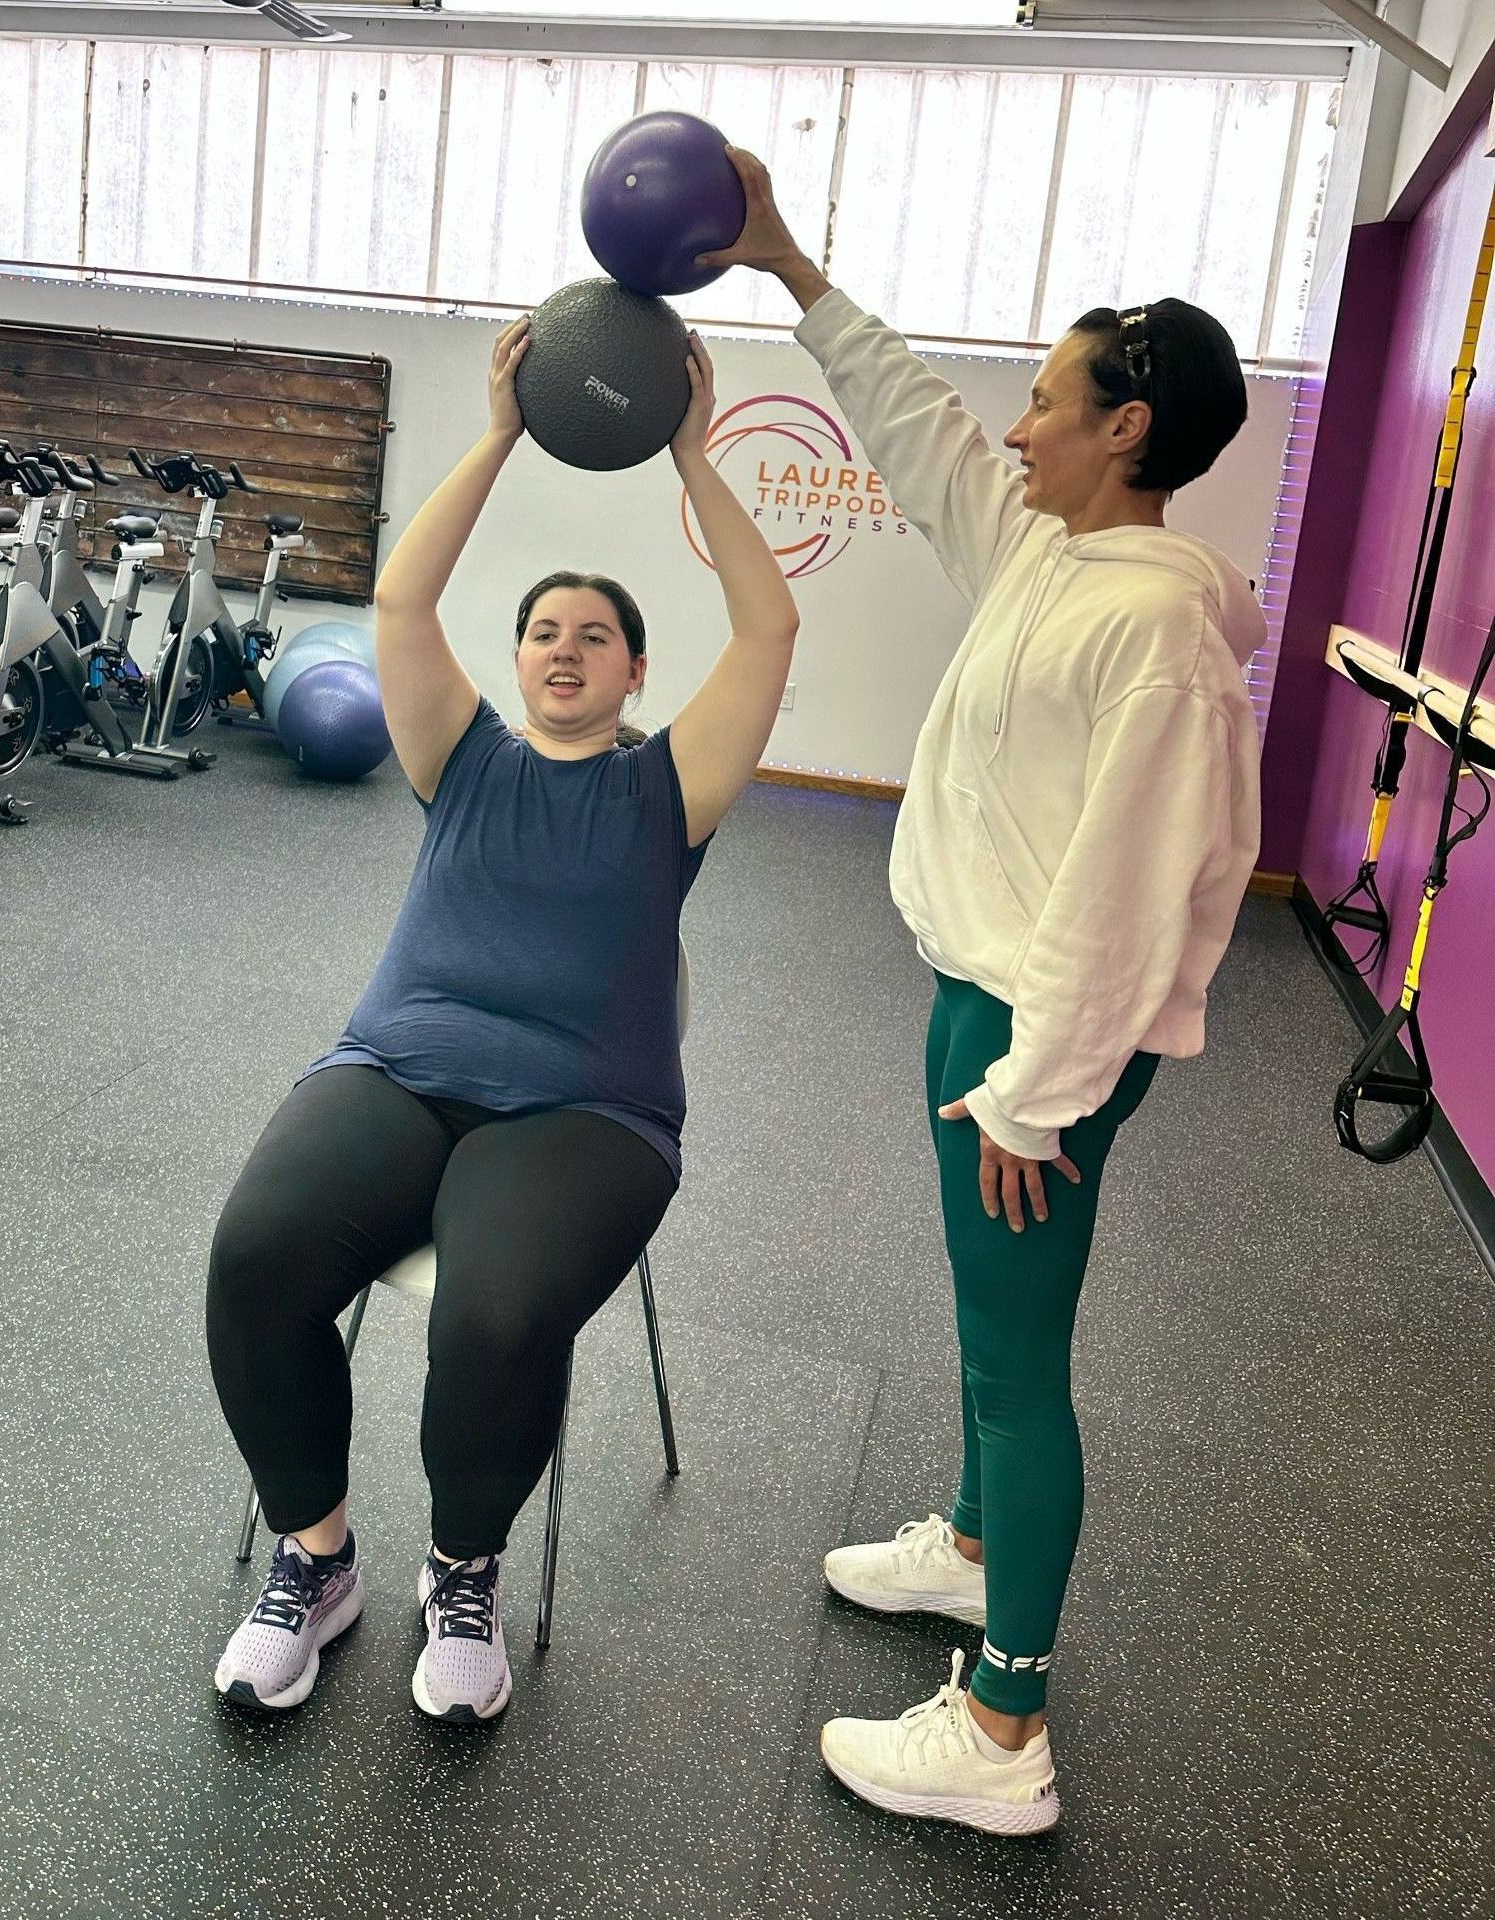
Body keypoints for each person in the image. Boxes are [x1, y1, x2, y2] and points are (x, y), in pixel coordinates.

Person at [697, 151, 1262, 1833]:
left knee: (1021, 1364)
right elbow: (921, 432)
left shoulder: (1157, 631)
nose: (1015, 429)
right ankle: (968, 1545)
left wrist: (1036, 1089)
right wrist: (796, 271)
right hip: (994, 1005)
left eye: (1048, 402)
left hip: (1037, 1035)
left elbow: (1135, 896)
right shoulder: (1055, 555)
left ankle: (1004, 1732)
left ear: (1127, 432)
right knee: (988, 1336)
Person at [205, 316, 799, 1721]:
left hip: (586, 1112)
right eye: (543, 632)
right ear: (519, 661)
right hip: (397, 1070)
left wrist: (692, 458)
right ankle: (318, 1559)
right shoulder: (458, 756)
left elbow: (769, 626)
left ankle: (459, 1572)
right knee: (256, 1254)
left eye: (596, 635)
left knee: (498, 1313)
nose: (564, 649)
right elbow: (404, 607)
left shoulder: (670, 792)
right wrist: (501, 433)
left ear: (636, 673)